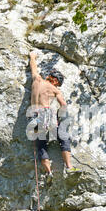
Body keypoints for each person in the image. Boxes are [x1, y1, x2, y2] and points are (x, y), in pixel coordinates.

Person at [27, 50, 80, 181]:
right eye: (59, 84)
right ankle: (69, 167)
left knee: (41, 145)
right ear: (56, 81)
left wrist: (32, 56)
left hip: (32, 118)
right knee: (63, 137)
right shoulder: (55, 90)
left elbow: (33, 66)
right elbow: (63, 104)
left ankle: (48, 173)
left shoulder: (37, 80)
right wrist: (61, 117)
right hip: (45, 115)